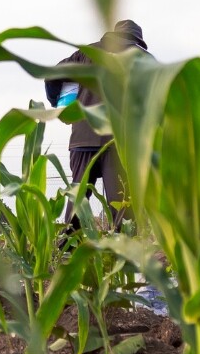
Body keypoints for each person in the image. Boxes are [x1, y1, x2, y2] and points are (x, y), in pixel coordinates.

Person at [46, 19, 147, 229]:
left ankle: (68, 250)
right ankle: (123, 253)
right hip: (119, 141)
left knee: (78, 199)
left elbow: (52, 76)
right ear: (137, 40)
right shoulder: (142, 58)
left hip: (83, 136)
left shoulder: (86, 53)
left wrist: (58, 103)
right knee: (122, 205)